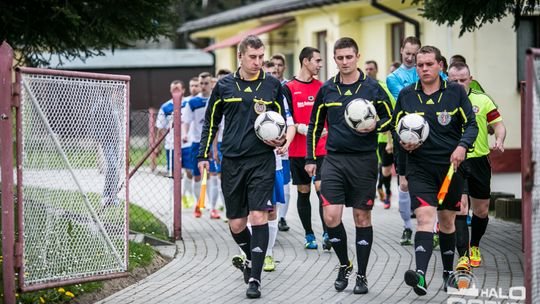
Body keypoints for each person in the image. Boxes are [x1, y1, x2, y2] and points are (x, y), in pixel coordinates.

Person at [198, 35, 286, 299]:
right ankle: (250, 257)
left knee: (259, 216)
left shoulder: (272, 85)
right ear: (240, 56)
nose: (258, 62)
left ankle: (255, 279)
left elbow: (283, 120)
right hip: (232, 162)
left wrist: (281, 139)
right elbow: (210, 123)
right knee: (237, 224)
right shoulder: (224, 86)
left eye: (261, 57)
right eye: (253, 57)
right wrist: (203, 155)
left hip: (262, 160)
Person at [306, 37, 393, 294]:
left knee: (361, 216)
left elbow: (392, 117)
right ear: (334, 59)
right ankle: (344, 264)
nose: (344, 62)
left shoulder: (373, 88)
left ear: (357, 57)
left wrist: (376, 125)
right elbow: (314, 125)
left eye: (349, 57)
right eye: (340, 57)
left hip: (364, 160)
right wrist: (311, 159)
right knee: (330, 216)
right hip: (333, 159)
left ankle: (362, 275)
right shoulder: (327, 90)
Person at [395, 46, 478, 295]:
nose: (424, 69)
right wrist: (401, 166)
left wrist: (463, 146)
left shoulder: (454, 92)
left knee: (447, 221)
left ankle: (447, 272)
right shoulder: (407, 95)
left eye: (429, 64)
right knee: (424, 218)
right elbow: (396, 130)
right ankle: (420, 275)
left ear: (440, 65)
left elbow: (471, 125)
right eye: (420, 65)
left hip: (451, 168)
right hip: (419, 167)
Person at [447, 61, 506, 271]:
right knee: (461, 208)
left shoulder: (482, 100)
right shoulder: (443, 100)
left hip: (480, 161)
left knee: (481, 211)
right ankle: (462, 257)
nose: (459, 84)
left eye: (463, 80)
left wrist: (499, 139)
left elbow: (498, 124)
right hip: (455, 162)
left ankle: (475, 246)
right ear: (448, 80)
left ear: (470, 80)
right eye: (454, 80)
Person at [283, 46, 330, 250]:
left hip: (320, 148)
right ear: (305, 61)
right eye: (317, 61)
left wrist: (328, 130)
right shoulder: (289, 87)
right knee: (303, 191)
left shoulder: (323, 87)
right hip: (298, 150)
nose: (320, 65)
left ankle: (328, 233)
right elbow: (286, 116)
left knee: (322, 189)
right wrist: (300, 128)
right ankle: (309, 234)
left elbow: (328, 115)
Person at [184, 72, 221, 219]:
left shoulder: (217, 100)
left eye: (206, 83)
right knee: (197, 176)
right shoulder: (192, 103)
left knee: (213, 175)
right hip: (196, 143)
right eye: (201, 83)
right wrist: (186, 134)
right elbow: (186, 121)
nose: (204, 86)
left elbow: (218, 124)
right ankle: (198, 204)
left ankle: (213, 208)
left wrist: (215, 145)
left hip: (212, 143)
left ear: (211, 83)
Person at [364, 60, 396, 210]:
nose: (368, 71)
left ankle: (387, 195)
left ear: (376, 70)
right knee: (379, 167)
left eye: (371, 69)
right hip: (370, 138)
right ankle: (379, 192)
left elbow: (390, 114)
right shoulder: (362, 87)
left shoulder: (382, 87)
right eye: (366, 69)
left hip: (385, 137)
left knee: (386, 169)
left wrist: (390, 140)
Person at [156, 80, 190, 207]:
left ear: (183, 90)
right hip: (171, 145)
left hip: (188, 144)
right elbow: (160, 128)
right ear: (171, 91)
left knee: (190, 172)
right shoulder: (166, 107)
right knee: (172, 174)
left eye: (178, 89)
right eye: (173, 89)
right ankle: (174, 202)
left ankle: (186, 195)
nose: (176, 91)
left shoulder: (189, 103)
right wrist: (157, 147)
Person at [271, 53, 293, 232]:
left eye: (279, 65)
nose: (276, 69)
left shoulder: (287, 87)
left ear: (284, 67)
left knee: (285, 184)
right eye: (273, 66)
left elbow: (290, 117)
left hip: (284, 145)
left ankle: (282, 218)